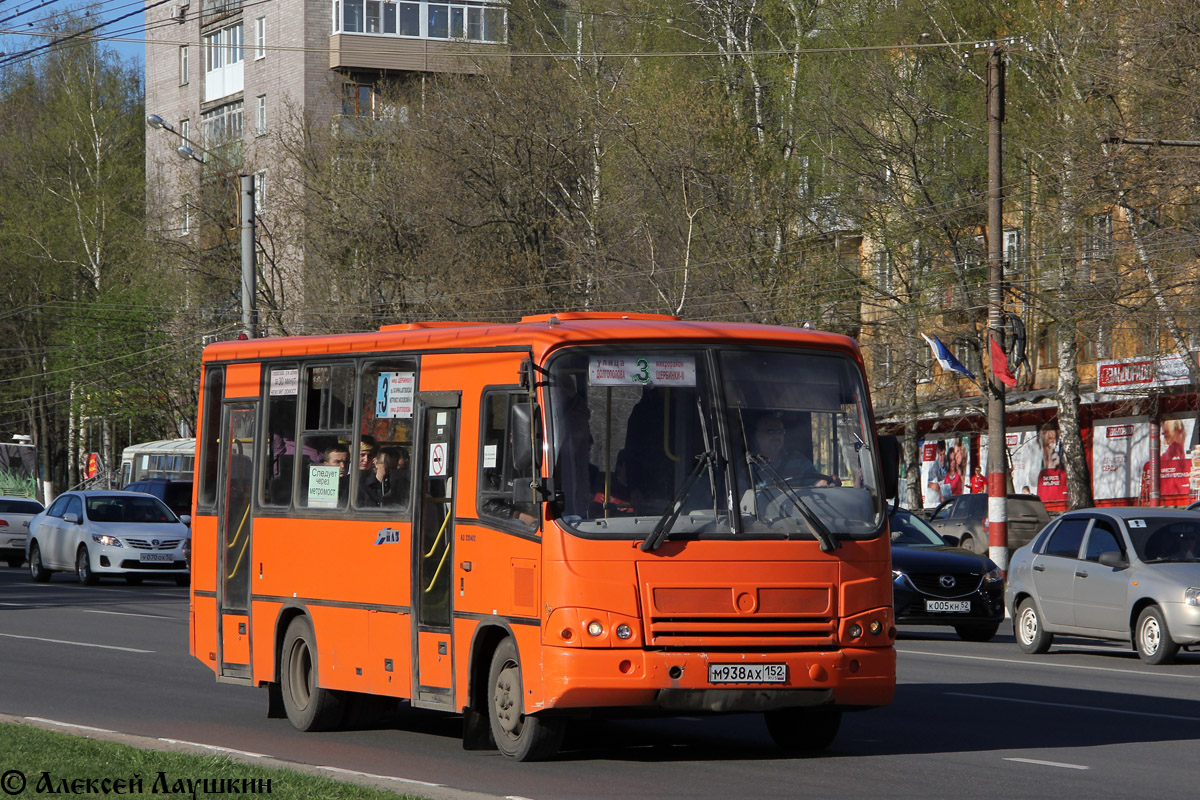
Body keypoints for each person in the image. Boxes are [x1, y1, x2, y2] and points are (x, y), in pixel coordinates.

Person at [751, 413, 834, 487]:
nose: (777, 437)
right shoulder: (750, 464)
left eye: (780, 432)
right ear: (757, 435)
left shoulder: (798, 460)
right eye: (770, 432)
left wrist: (828, 482)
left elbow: (815, 482)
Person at [1035, 421, 1066, 503]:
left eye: (1056, 431)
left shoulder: (1065, 472)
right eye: (1045, 431)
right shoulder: (1039, 473)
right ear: (1039, 439)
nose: (1052, 435)